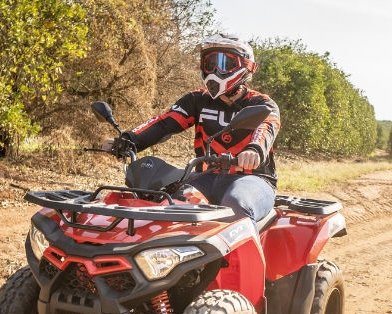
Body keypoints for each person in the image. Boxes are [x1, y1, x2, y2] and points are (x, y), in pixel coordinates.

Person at [103, 33, 281, 224]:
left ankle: (243, 255)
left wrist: (253, 150)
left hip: (252, 179)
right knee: (164, 200)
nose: (215, 70)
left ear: (245, 66)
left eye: (224, 63)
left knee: (235, 204)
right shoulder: (197, 100)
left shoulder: (262, 104)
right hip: (204, 176)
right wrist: (128, 140)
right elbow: (164, 123)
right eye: (209, 63)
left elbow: (265, 130)